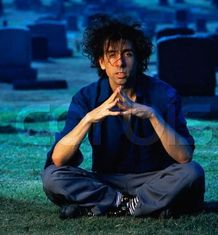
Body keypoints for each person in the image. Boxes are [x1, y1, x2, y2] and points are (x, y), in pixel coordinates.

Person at [41, 14, 205, 219]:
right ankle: (133, 205)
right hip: (105, 181)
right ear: (102, 62)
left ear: (138, 60)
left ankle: (101, 207)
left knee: (192, 172)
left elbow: (184, 157)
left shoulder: (165, 94)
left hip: (155, 179)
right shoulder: (86, 96)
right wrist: (89, 119)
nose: (120, 62)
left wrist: (153, 116)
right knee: (52, 176)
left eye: (127, 54)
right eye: (112, 54)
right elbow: (59, 159)